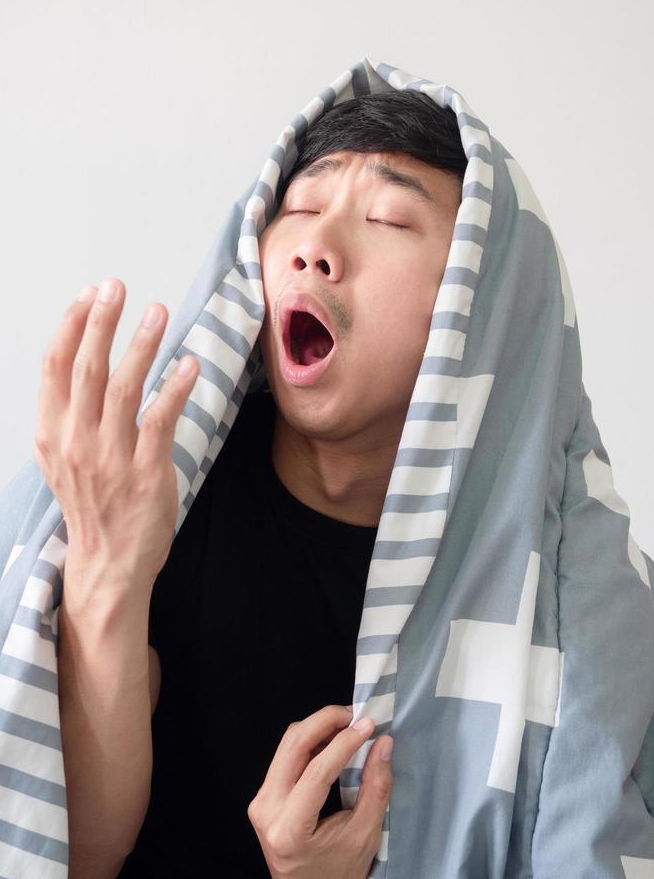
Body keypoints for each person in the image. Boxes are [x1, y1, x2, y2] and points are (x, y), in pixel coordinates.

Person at [35, 90, 465, 877]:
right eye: (298, 207)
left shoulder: (527, 575)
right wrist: (105, 564)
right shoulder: (165, 490)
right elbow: (75, 857)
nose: (315, 248)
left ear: (474, 306)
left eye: (390, 221)